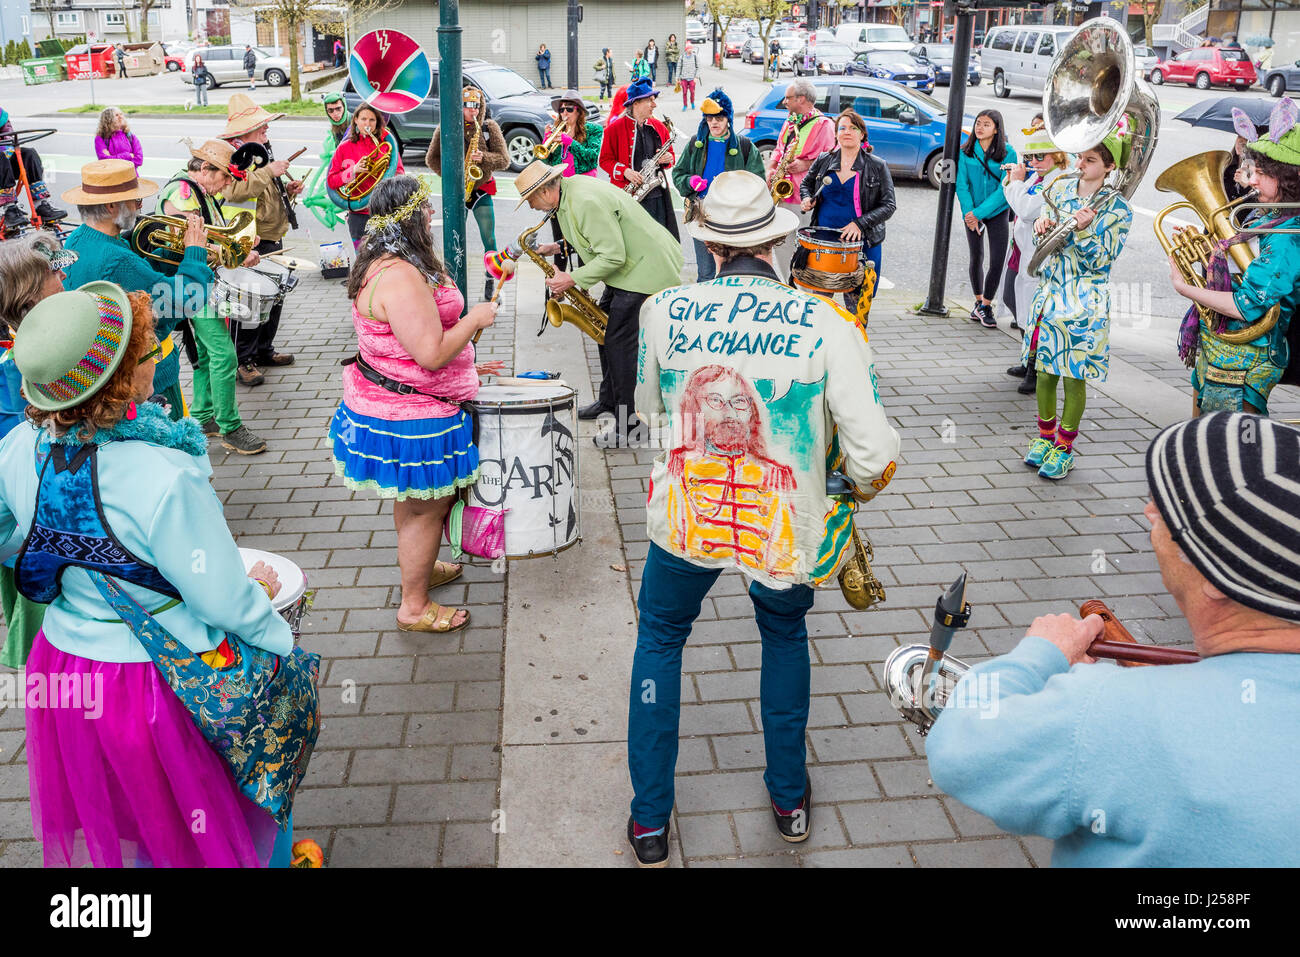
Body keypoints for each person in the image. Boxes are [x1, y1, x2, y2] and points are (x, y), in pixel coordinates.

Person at [626, 170, 901, 867]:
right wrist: (846, 491)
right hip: (786, 523)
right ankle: (788, 800)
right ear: (780, 238)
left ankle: (651, 820)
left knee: (660, 637)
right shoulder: (828, 322)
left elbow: (650, 417)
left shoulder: (663, 309)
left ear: (711, 246)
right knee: (783, 634)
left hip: (685, 520)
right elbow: (873, 452)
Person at [0, 283, 300, 867]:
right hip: (160, 678)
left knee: (141, 815)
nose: (159, 356)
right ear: (119, 381)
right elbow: (221, 601)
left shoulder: (17, 447)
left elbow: (10, 535)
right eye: (148, 353)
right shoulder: (165, 474)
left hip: (65, 666)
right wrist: (272, 626)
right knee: (222, 815)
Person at [927, 412, 1300, 867]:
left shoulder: (1111, 712)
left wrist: (1040, 655)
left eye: (1167, 510)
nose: (1149, 511)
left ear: (1222, 575)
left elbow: (960, 748)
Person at [328, 176, 498, 633]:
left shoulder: (391, 259)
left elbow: (413, 345)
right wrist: (476, 318)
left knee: (413, 498)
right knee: (429, 508)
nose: (431, 217)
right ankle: (414, 605)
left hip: (396, 401)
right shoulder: (399, 275)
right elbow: (431, 353)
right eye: (424, 210)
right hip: (411, 415)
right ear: (412, 218)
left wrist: (471, 365)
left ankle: (418, 569)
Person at [516, 160, 683, 445]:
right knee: (605, 337)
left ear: (545, 191)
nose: (531, 207)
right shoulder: (569, 195)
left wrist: (570, 279)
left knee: (620, 349)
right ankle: (608, 400)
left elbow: (613, 255)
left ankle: (632, 427)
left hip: (643, 272)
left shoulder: (584, 201)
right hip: (628, 270)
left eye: (530, 200)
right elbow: (591, 238)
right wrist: (555, 248)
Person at [60, 159, 214, 434]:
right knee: (180, 447)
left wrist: (169, 252)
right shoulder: (116, 259)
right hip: (145, 378)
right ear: (111, 207)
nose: (139, 207)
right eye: (135, 201)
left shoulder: (77, 239)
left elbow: (145, 282)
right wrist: (194, 253)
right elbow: (184, 298)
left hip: (104, 374)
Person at [1169, 106, 1300, 417]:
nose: (1251, 180)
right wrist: (1208, 249)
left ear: (1286, 177)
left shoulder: (1287, 236)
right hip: (1228, 344)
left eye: (1260, 173)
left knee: (1235, 444)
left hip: (1251, 354)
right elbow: (1239, 264)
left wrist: (1184, 287)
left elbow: (1245, 305)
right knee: (1208, 433)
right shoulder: (1265, 215)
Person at [1022, 128, 1132, 481]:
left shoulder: (1118, 209)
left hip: (1084, 299)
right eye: (1080, 157)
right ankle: (1044, 438)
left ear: (1109, 165)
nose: (1080, 164)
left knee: (1073, 376)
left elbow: (1101, 260)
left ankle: (1065, 447)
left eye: (1091, 160)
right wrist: (1042, 226)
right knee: (1044, 370)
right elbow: (1046, 236)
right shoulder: (1060, 190)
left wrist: (1083, 231)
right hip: (1051, 293)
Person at [157, 139, 269, 454]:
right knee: (225, 355)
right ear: (205, 169)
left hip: (197, 283)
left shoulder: (200, 191)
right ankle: (230, 427)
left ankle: (205, 415)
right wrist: (232, 254)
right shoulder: (182, 194)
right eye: (225, 178)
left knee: (207, 356)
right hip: (190, 286)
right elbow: (189, 244)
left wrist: (241, 243)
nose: (226, 186)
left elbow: (212, 235)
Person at [0, 233, 74, 669]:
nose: (63, 275)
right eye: (53, 271)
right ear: (29, 292)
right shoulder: (33, 361)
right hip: (39, 539)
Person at [221, 94, 304, 385]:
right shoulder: (231, 156)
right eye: (262, 126)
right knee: (251, 301)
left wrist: (289, 190)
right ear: (246, 130)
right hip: (250, 239)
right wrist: (270, 171)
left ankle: (263, 350)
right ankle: (244, 360)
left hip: (269, 234)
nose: (267, 130)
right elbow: (235, 191)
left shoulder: (258, 150)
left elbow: (264, 191)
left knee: (274, 298)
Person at [799, 108, 896, 315]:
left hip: (862, 244)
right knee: (819, 306)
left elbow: (889, 205)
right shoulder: (825, 159)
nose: (847, 132)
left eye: (853, 128)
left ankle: (855, 344)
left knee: (857, 309)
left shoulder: (877, 166)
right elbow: (806, 184)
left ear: (862, 134)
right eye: (842, 128)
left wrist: (859, 223)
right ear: (835, 134)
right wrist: (807, 198)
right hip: (824, 242)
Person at [672, 90, 765, 282]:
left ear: (728, 119)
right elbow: (678, 174)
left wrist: (739, 193)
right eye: (710, 118)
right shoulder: (694, 144)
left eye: (720, 118)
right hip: (701, 215)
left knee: (733, 271)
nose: (714, 123)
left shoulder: (745, 146)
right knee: (706, 273)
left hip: (733, 219)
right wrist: (690, 181)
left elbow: (759, 183)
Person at [426, 87, 509, 302]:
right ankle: (451, 285)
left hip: (481, 188)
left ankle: (491, 284)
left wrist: (484, 158)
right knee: (453, 239)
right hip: (457, 191)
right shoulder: (446, 127)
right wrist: (452, 179)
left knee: (489, 238)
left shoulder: (489, 127)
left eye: (476, 105)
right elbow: (431, 159)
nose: (471, 110)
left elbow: (504, 160)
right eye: (466, 105)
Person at [1003, 131, 1068, 397]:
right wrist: (1014, 182)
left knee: (1036, 317)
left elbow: (1027, 209)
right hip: (1023, 252)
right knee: (1018, 305)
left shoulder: (1058, 180)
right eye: (1029, 156)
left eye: (1039, 156)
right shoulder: (1037, 177)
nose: (1033, 161)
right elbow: (1017, 202)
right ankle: (1026, 358)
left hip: (1040, 258)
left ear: (1058, 156)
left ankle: (1036, 369)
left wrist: (1015, 184)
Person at [764, 79, 836, 281]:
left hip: (805, 196)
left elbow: (832, 157)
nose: (784, 102)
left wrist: (807, 164)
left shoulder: (824, 125)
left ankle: (806, 283)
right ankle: (788, 281)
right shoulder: (790, 121)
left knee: (805, 243)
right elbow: (779, 149)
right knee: (781, 240)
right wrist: (771, 168)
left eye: (788, 98)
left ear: (801, 99)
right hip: (783, 192)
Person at [600, 77, 680, 242]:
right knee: (633, 242)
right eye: (650, 100)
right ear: (635, 103)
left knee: (658, 240)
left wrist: (668, 157)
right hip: (628, 196)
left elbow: (670, 156)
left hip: (656, 196)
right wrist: (625, 172)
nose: (654, 105)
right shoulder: (613, 129)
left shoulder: (659, 127)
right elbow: (605, 160)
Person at [957, 109, 1017, 329]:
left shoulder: (1008, 153)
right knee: (976, 256)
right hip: (971, 212)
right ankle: (978, 301)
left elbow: (1005, 188)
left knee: (997, 260)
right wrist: (968, 213)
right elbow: (961, 185)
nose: (979, 128)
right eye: (978, 123)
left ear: (996, 128)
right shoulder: (966, 151)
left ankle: (986, 304)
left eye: (986, 124)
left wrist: (978, 213)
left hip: (996, 212)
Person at [541, 89, 604, 278]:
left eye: (569, 109)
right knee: (559, 240)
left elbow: (592, 158)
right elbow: (545, 163)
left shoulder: (594, 130)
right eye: (561, 110)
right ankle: (558, 287)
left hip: (581, 192)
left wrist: (570, 142)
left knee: (582, 241)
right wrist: (547, 141)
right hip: (558, 192)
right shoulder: (555, 131)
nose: (564, 114)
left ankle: (583, 285)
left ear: (579, 111)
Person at [328, 103, 404, 249]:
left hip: (385, 212)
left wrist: (385, 174)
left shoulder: (386, 146)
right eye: (363, 119)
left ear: (377, 123)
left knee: (386, 259)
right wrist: (354, 170)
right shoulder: (344, 147)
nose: (367, 124)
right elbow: (332, 181)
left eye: (372, 120)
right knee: (362, 260)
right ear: (355, 120)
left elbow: (400, 174)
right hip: (358, 215)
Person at [0, 105, 68, 233]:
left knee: (29, 154)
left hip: (5, 157)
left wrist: (7, 147)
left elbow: (8, 135)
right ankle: (9, 208)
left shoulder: (1, 114)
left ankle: (41, 204)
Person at [301, 91, 350, 232]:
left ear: (344, 106)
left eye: (338, 109)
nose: (335, 114)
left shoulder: (354, 122)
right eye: (331, 110)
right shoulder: (335, 127)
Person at [678, 41, 700, 109]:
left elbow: (698, 67)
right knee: (684, 92)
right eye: (688, 48)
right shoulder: (682, 57)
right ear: (686, 49)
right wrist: (677, 78)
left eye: (691, 48)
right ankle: (685, 105)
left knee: (692, 92)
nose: (690, 50)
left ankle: (692, 103)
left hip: (692, 78)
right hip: (684, 78)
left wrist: (696, 77)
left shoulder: (695, 56)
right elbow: (678, 67)